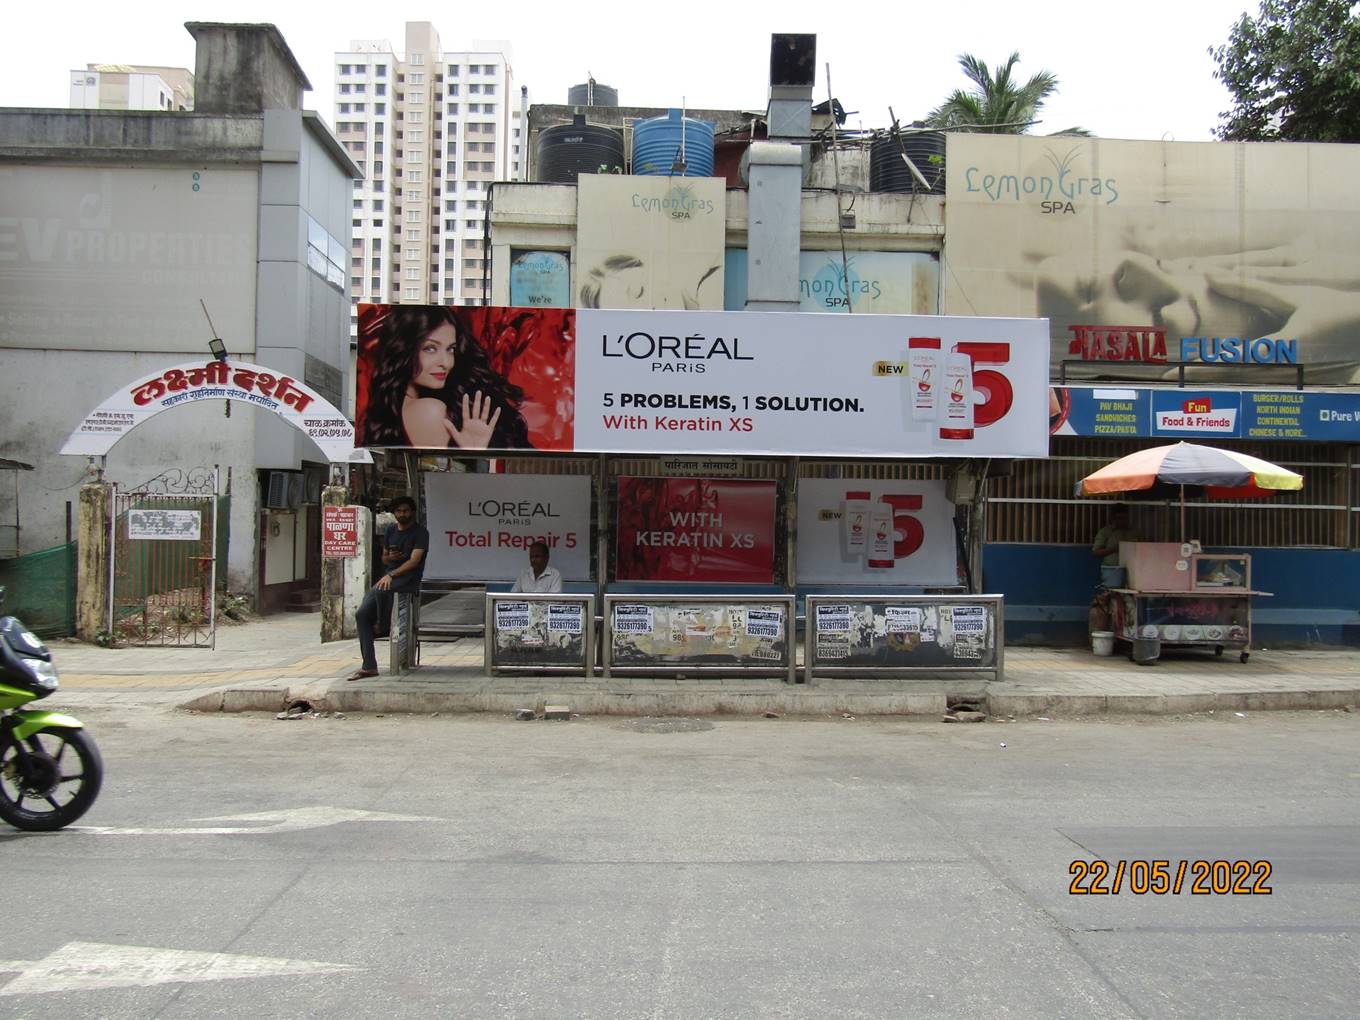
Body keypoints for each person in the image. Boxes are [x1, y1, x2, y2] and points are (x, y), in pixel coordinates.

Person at [358, 305, 531, 449]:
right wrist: (474, 454)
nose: (446, 363)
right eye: (430, 348)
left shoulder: (395, 409)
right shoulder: (429, 410)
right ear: (403, 349)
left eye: (451, 349)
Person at [347, 496, 429, 681]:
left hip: (407, 579)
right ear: (394, 513)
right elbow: (384, 558)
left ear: (412, 512)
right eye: (399, 511)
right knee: (361, 615)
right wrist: (391, 558)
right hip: (388, 578)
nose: (403, 514)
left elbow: (414, 561)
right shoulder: (391, 530)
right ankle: (369, 666)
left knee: (383, 589)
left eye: (406, 511)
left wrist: (391, 574)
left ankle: (383, 626)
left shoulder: (420, 533)